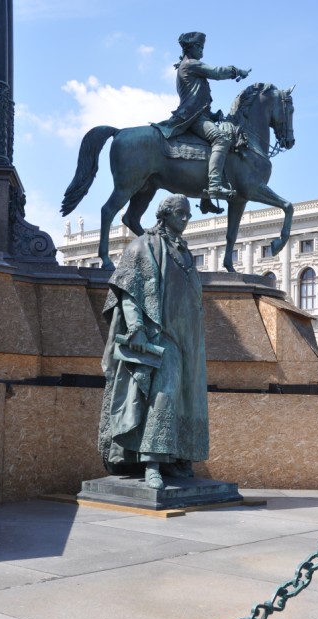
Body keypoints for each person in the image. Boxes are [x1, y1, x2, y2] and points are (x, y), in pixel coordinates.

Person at [99, 194, 209, 490]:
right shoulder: (142, 246)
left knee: (187, 399)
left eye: (188, 214)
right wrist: (135, 327)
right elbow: (128, 292)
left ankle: (177, 458)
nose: (186, 219)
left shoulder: (184, 252)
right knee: (164, 394)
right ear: (165, 214)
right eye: (180, 213)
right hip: (159, 335)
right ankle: (152, 463)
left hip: (189, 340)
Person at [156, 32, 250, 200]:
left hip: (197, 115)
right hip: (192, 118)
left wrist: (212, 115)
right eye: (199, 47)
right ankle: (214, 184)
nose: (201, 51)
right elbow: (217, 72)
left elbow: (195, 99)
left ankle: (206, 198)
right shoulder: (190, 64)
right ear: (189, 48)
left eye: (202, 47)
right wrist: (236, 71)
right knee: (221, 139)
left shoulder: (187, 66)